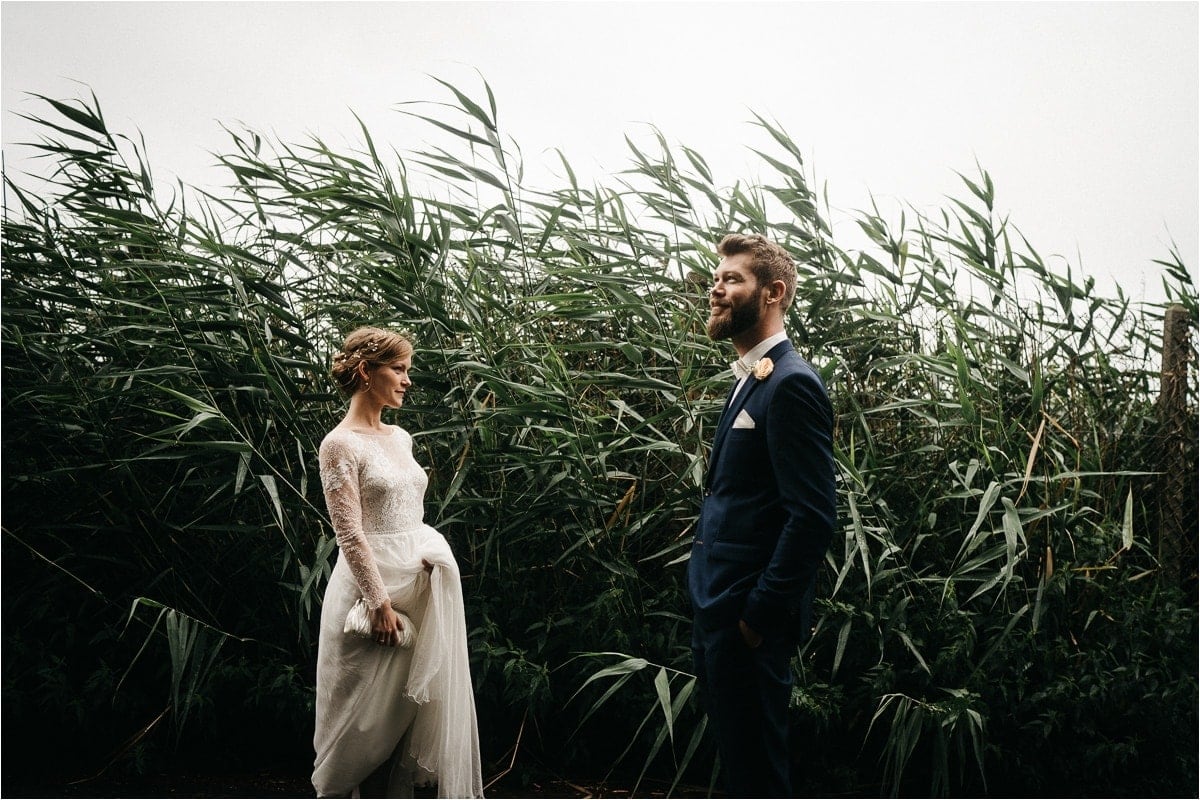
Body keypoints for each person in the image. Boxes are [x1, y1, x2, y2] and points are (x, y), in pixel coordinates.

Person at [687, 234, 836, 797]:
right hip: (718, 608)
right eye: (716, 278)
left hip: (746, 620)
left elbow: (813, 516)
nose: (715, 290)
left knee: (757, 778)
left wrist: (758, 617)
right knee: (739, 768)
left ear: (772, 293)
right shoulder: (752, 378)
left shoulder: (791, 383)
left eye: (732, 280)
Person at [312, 326, 483, 799]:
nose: (408, 380)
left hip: (417, 588)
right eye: (399, 369)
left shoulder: (401, 437)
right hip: (370, 595)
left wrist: (428, 559)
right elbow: (350, 532)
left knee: (406, 714)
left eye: (408, 370)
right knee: (360, 725)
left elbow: (410, 515)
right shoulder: (339, 444)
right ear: (366, 372)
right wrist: (378, 603)